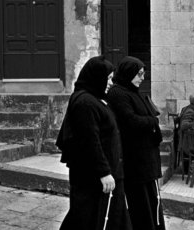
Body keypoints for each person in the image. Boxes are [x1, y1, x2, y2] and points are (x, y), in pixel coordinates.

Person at [57, 56, 132, 230]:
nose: (110, 83)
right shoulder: (85, 102)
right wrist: (104, 172)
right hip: (91, 177)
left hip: (101, 175)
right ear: (96, 77)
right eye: (108, 79)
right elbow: (89, 140)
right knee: (87, 218)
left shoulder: (94, 99)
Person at [107, 56, 165, 230]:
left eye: (143, 74)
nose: (142, 78)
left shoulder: (133, 92)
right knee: (140, 203)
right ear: (128, 73)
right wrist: (153, 122)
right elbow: (130, 121)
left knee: (151, 200)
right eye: (139, 74)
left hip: (146, 159)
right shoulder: (118, 93)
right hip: (136, 160)